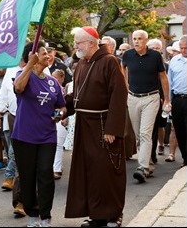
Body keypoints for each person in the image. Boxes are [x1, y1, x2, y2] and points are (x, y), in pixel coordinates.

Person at [64, 26, 128, 227]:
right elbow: (76, 94)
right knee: (89, 172)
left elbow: (119, 96)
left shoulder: (109, 62)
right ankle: (97, 215)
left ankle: (113, 215)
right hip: (84, 125)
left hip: (103, 126)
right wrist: (64, 110)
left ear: (91, 43)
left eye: (79, 43)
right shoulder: (81, 64)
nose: (76, 46)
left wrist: (112, 129)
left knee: (107, 172)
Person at [12, 40, 67, 227]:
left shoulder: (53, 82)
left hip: (47, 136)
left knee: (45, 173)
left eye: (48, 53)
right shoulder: (22, 75)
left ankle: (45, 215)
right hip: (24, 136)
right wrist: (29, 65)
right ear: (34, 56)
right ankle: (32, 214)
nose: (48, 56)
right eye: (44, 53)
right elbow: (18, 88)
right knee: (27, 177)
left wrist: (60, 114)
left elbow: (62, 106)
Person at [122, 30, 170, 183]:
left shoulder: (155, 56)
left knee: (145, 133)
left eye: (140, 39)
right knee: (138, 136)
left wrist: (166, 99)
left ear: (146, 41)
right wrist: (126, 87)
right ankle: (148, 165)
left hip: (151, 98)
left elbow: (163, 77)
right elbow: (123, 70)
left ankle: (142, 168)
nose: (136, 41)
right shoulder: (128, 55)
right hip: (133, 98)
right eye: (134, 39)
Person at [146, 39, 168, 163]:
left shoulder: (166, 65)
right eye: (152, 48)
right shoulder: (143, 62)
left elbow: (167, 82)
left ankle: (158, 147)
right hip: (146, 98)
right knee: (149, 129)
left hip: (160, 99)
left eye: (157, 48)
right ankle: (150, 154)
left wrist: (166, 99)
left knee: (158, 126)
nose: (155, 50)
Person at [167, 35, 187, 168]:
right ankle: (185, 157)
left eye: (186, 48)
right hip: (178, 99)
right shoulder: (174, 61)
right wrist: (168, 100)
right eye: (182, 48)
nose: (184, 50)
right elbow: (169, 82)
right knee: (179, 129)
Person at [51, 69, 68, 180]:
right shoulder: (50, 89)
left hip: (60, 120)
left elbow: (63, 106)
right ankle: (57, 167)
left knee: (58, 145)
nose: (54, 80)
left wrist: (61, 117)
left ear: (62, 79)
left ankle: (56, 169)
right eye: (53, 77)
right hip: (51, 119)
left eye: (56, 78)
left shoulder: (63, 91)